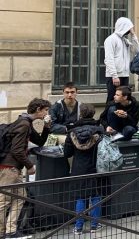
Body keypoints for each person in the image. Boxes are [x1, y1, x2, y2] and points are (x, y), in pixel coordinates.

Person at [0, 98, 51, 239]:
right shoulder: (24, 124)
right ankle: (2, 232)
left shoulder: (26, 122)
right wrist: (30, 166)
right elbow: (17, 150)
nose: (47, 113)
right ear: (38, 109)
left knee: (21, 196)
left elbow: (39, 141)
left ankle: (10, 230)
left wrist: (46, 127)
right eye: (46, 110)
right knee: (4, 200)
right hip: (9, 168)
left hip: (12, 168)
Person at [62, 103, 104, 235]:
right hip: (95, 166)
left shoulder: (72, 132)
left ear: (80, 114)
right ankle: (94, 225)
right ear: (93, 114)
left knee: (80, 197)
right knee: (95, 196)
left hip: (78, 168)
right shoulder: (99, 130)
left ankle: (78, 227)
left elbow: (67, 153)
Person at [103, 17, 139, 104]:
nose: (129, 30)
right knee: (112, 99)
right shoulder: (111, 39)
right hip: (114, 76)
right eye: (128, 28)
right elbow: (109, 59)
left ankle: (120, 116)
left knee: (123, 100)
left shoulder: (125, 40)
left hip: (124, 74)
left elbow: (137, 50)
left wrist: (133, 35)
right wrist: (114, 76)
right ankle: (107, 117)